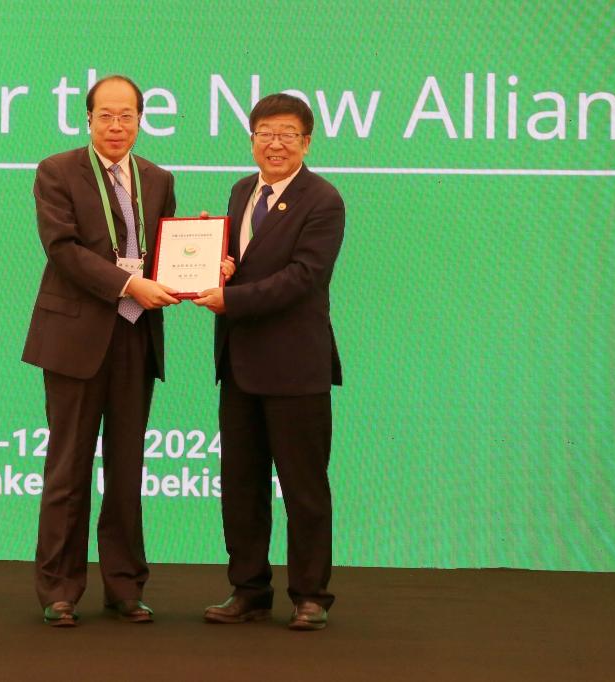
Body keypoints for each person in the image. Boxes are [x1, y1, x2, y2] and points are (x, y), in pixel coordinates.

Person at [22, 75, 180, 627]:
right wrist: (128, 283)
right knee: (68, 468)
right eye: (106, 116)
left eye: (127, 116)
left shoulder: (158, 179)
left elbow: (163, 252)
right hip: (75, 339)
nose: (117, 126)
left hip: (136, 336)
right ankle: (60, 589)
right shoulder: (57, 171)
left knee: (127, 468)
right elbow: (62, 249)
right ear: (88, 119)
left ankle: (125, 587)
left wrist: (202, 260)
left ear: (141, 120)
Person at [194, 93, 345, 631]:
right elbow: (246, 263)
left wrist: (231, 298)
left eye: (287, 134)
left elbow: (304, 277)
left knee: (303, 489)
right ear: (252, 138)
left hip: (295, 368)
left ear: (307, 142)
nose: (275, 144)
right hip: (240, 366)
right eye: (265, 133)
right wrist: (215, 260)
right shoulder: (242, 191)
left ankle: (310, 596)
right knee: (241, 486)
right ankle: (249, 591)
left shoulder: (323, 200)